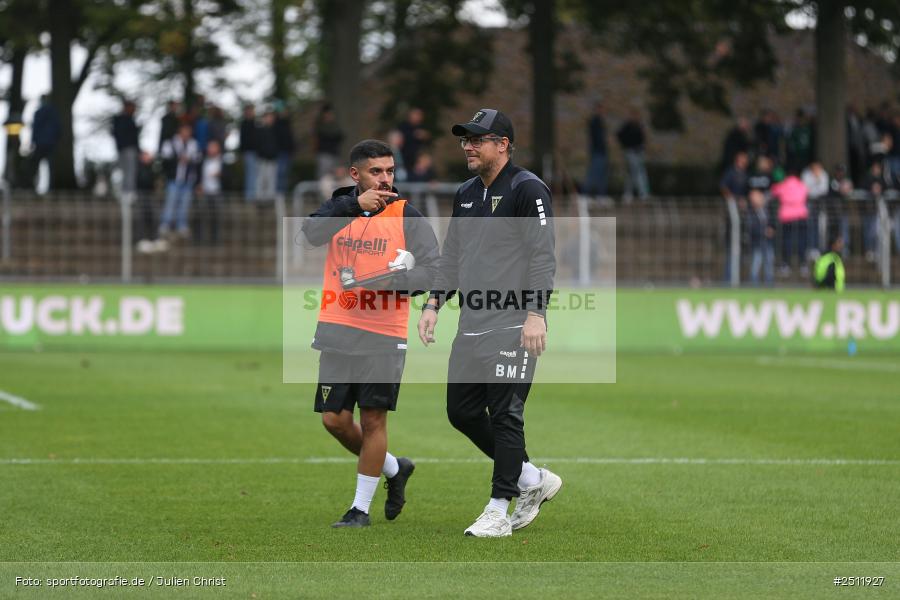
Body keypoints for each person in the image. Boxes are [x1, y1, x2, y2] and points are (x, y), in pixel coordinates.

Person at [417, 108, 561, 538]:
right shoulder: (464, 193)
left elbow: (543, 255)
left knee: (505, 414)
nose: (467, 145)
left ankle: (499, 508)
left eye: (477, 139)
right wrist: (434, 303)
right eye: (465, 139)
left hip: (514, 321)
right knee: (460, 412)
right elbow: (452, 255)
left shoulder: (527, 188)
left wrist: (536, 313)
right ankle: (532, 478)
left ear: (503, 145)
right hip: (472, 322)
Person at [300, 139, 439, 528]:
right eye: (376, 171)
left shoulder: (405, 214)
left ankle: (359, 509)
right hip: (338, 326)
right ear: (356, 174)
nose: (385, 179)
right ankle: (395, 468)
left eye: (390, 171)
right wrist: (352, 207)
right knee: (334, 420)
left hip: (384, 331)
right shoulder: (338, 206)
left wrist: (396, 282)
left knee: (374, 420)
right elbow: (308, 235)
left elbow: (434, 268)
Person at [159, 123, 201, 238]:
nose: (186, 133)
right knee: (171, 202)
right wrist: (178, 159)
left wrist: (189, 159)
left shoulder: (194, 143)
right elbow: (165, 158)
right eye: (184, 131)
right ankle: (165, 224)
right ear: (180, 131)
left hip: (188, 180)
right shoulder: (170, 142)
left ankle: (181, 225)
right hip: (174, 179)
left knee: (185, 204)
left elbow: (198, 158)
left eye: (188, 131)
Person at [616, 108, 650, 200]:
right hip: (630, 152)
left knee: (636, 172)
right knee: (637, 172)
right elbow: (619, 135)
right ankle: (640, 193)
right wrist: (625, 146)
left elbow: (643, 138)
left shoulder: (639, 126)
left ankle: (633, 193)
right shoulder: (627, 126)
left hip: (639, 152)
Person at [30, 95, 61, 192]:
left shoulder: (38, 113)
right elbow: (58, 128)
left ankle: (34, 186)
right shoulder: (53, 113)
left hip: (40, 143)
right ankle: (50, 187)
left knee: (35, 167)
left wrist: (33, 141)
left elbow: (35, 129)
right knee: (50, 167)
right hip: (50, 144)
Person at [112, 99, 140, 194]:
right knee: (128, 172)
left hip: (125, 149)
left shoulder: (125, 119)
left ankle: (126, 192)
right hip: (127, 149)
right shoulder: (123, 119)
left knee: (127, 172)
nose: (134, 110)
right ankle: (127, 192)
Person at [199, 140, 223, 244]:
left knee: (216, 217)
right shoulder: (203, 160)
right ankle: (200, 239)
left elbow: (228, 177)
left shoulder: (222, 161)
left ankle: (215, 239)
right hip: (204, 192)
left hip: (216, 193)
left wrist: (221, 175)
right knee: (201, 216)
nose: (211, 149)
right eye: (210, 147)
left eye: (214, 147)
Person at [584, 101, 609, 197]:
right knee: (594, 173)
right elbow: (596, 138)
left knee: (601, 174)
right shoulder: (594, 122)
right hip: (597, 151)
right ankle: (586, 194)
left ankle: (601, 194)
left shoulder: (601, 122)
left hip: (601, 151)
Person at [314, 103, 344, 180]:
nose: (330, 115)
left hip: (334, 154)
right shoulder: (320, 126)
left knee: (335, 176)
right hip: (324, 154)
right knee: (323, 176)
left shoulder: (335, 126)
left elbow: (340, 137)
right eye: (328, 113)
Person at [397, 107, 430, 173]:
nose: (418, 117)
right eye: (416, 115)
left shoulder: (421, 127)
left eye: (420, 115)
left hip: (417, 158)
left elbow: (427, 141)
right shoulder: (403, 126)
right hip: (404, 157)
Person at [256, 108, 279, 202]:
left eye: (271, 117)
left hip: (272, 158)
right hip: (262, 159)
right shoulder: (260, 130)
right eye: (268, 117)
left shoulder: (276, 130)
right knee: (261, 179)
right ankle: (260, 198)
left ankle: (270, 198)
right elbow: (258, 145)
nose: (270, 119)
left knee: (271, 179)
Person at [273, 100, 295, 195]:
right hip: (280, 152)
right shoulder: (276, 123)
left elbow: (289, 138)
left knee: (285, 173)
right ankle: (279, 194)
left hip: (287, 152)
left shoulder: (287, 122)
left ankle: (283, 193)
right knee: (280, 173)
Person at [239, 104, 258, 202]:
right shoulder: (244, 124)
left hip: (255, 152)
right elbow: (243, 140)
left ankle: (253, 195)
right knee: (250, 174)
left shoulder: (255, 123)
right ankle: (249, 196)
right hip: (248, 152)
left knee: (254, 174)